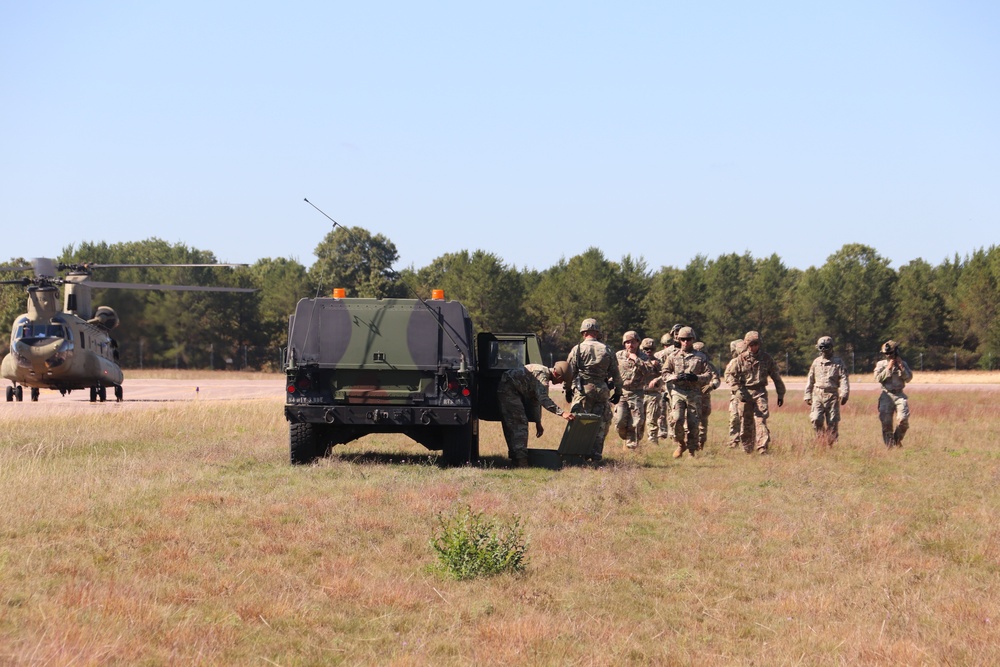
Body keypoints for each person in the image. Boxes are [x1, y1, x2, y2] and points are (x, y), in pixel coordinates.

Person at [498, 361, 576, 466]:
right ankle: (521, 462)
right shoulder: (542, 375)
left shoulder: (544, 377)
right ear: (556, 374)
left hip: (511, 389)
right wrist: (562, 413)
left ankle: (516, 459)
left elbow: (535, 402)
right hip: (509, 389)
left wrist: (538, 422)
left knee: (514, 424)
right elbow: (543, 400)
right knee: (520, 423)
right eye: (562, 380)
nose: (561, 382)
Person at [567, 318, 623, 463]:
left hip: (583, 390)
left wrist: (568, 389)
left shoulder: (577, 349)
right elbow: (616, 373)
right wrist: (618, 392)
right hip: (602, 390)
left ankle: (578, 454)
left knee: (580, 421)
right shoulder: (607, 349)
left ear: (583, 332)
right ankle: (596, 455)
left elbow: (570, 372)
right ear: (597, 332)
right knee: (600, 423)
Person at [730, 330, 786, 454]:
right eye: (751, 344)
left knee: (760, 420)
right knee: (746, 422)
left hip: (760, 392)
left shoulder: (766, 359)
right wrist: (737, 390)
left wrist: (780, 393)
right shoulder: (741, 359)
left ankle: (762, 447)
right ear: (746, 344)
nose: (753, 347)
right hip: (745, 394)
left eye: (756, 344)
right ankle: (747, 448)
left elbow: (776, 377)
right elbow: (731, 376)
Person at [662, 327, 712, 458]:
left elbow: (709, 374)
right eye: (683, 339)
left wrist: (696, 378)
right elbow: (664, 373)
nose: (685, 342)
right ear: (679, 340)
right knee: (677, 419)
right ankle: (680, 443)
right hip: (678, 391)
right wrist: (675, 377)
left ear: (693, 340)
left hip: (694, 393)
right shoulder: (672, 356)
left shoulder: (700, 357)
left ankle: (691, 451)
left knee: (693, 423)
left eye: (688, 339)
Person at [803, 336, 850, 445]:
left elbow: (844, 379)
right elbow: (810, 379)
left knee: (832, 422)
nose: (824, 349)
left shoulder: (838, 362)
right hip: (818, 394)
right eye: (821, 347)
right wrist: (807, 395)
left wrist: (845, 393)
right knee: (816, 419)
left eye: (826, 347)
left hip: (832, 395)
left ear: (831, 347)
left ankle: (830, 444)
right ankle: (821, 438)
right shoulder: (816, 362)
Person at [614, 331, 656, 449]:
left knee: (636, 422)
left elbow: (649, 371)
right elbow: (612, 370)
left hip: (637, 393)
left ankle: (631, 446)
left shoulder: (643, 357)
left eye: (633, 342)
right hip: (622, 392)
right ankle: (626, 439)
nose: (630, 345)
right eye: (627, 342)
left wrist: (635, 359)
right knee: (620, 421)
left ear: (638, 342)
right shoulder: (619, 355)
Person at [874, 339, 912, 448]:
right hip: (886, 395)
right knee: (886, 423)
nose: (888, 356)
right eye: (886, 354)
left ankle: (897, 439)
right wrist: (888, 368)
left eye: (890, 353)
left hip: (899, 395)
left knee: (903, 420)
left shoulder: (903, 363)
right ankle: (889, 447)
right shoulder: (881, 364)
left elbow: (908, 378)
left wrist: (902, 368)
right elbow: (877, 378)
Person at [692, 341, 721, 450]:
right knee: (690, 422)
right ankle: (692, 444)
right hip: (691, 397)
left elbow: (716, 380)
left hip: (704, 398)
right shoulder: (690, 364)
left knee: (702, 424)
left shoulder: (710, 366)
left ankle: (700, 445)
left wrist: (712, 386)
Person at [723, 339, 752, 448]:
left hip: (749, 393)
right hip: (737, 394)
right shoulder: (734, 362)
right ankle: (733, 441)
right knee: (734, 418)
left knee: (748, 419)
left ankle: (748, 442)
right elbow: (727, 376)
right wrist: (736, 387)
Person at [640, 337, 662, 445]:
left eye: (651, 349)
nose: (649, 351)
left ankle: (653, 443)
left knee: (652, 421)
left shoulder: (659, 362)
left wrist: (657, 377)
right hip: (638, 394)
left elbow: (665, 375)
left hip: (653, 394)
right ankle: (634, 444)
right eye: (646, 349)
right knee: (637, 421)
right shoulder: (637, 360)